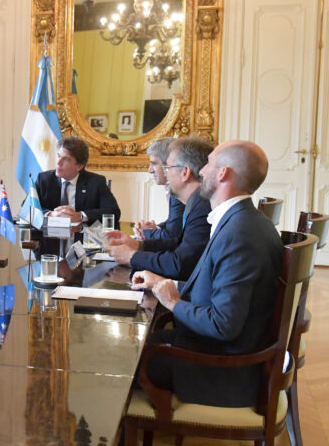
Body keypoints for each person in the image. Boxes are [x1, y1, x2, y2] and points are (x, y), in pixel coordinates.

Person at [132, 140, 283, 407]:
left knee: (125, 359)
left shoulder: (240, 234)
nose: (200, 171)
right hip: (218, 349)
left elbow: (223, 324)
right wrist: (167, 284)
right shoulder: (240, 219)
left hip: (224, 371)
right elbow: (216, 287)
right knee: (137, 340)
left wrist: (173, 302)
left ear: (223, 173)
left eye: (209, 164)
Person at [106, 137, 212, 281]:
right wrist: (138, 245)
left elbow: (180, 264)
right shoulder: (196, 203)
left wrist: (131, 256)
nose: (166, 174)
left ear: (185, 173)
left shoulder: (202, 207)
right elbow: (178, 242)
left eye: (168, 168)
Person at [34, 136, 120, 227]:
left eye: (66, 159)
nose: (58, 162)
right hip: (49, 237)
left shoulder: (96, 182)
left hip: (82, 237)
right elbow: (28, 208)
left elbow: (113, 212)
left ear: (79, 166)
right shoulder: (44, 179)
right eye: (59, 156)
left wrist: (80, 216)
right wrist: (51, 215)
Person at [135, 137, 185, 241]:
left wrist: (146, 233)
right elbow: (174, 222)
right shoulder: (172, 186)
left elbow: (172, 236)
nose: (150, 170)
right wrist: (156, 228)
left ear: (168, 163)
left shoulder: (179, 189)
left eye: (153, 164)